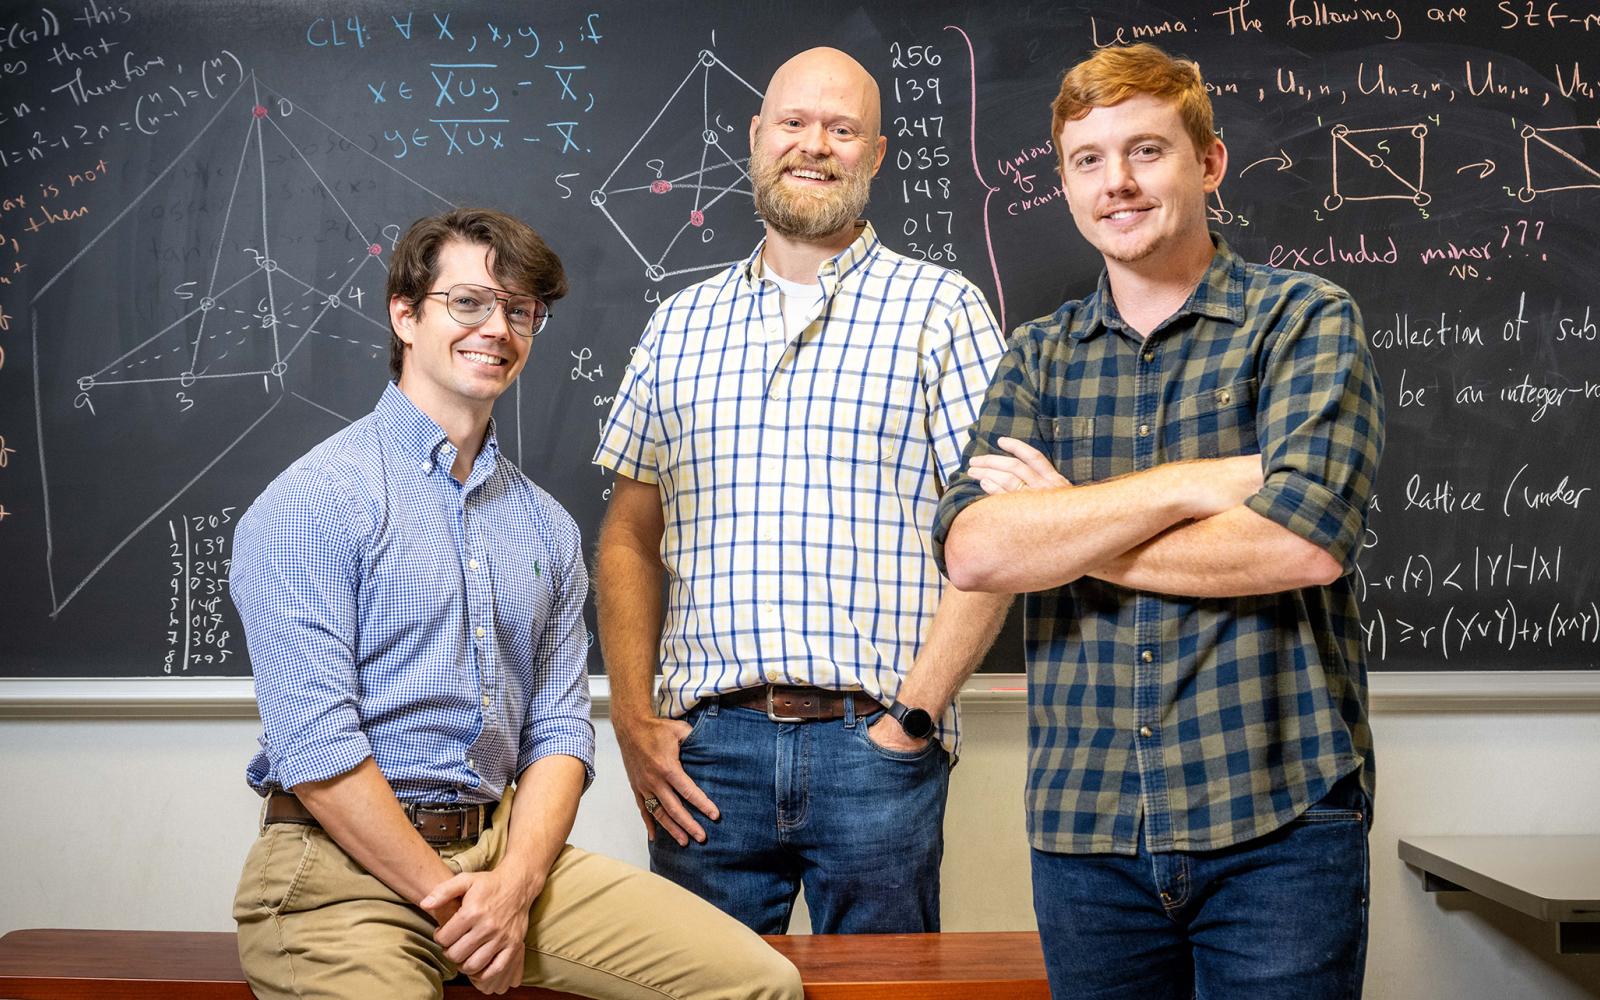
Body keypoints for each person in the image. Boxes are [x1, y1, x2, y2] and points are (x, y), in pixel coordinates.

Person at [229, 207, 801, 1000]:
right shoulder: (313, 502)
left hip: (499, 857)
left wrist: (511, 889)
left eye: (520, 310)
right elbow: (316, 747)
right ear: (405, 313)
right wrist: (457, 902)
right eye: (469, 302)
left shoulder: (547, 527)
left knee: (757, 982)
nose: (497, 327)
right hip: (337, 870)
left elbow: (561, 734)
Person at [934, 43, 1385, 1000]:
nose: (1117, 183)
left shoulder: (1303, 321)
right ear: (1064, 183)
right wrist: (1192, 485)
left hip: (1281, 823)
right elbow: (975, 550)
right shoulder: (1038, 358)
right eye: (1087, 160)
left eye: (1146, 151)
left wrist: (1062, 529)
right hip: (1086, 832)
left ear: (1208, 164)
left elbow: (1298, 543)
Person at [593, 47, 1010, 935]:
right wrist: (632, 717)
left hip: (877, 748)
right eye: (793, 122)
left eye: (842, 128)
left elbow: (999, 541)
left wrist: (913, 721)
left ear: (877, 153)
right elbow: (629, 536)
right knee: (693, 997)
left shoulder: (944, 310)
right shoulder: (680, 323)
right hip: (706, 756)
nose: (813, 145)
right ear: (755, 137)